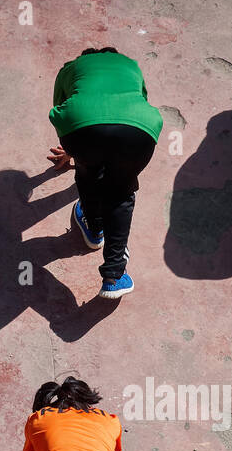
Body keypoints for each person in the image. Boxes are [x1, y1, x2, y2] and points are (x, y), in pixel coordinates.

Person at [47, 47, 162, 299]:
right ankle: (114, 276)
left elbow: (63, 108)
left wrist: (71, 152)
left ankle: (94, 229)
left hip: (83, 128)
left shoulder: (70, 68)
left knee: (87, 172)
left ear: (84, 58)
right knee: (120, 192)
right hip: (139, 128)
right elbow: (140, 99)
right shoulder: (131, 64)